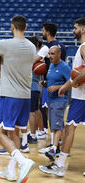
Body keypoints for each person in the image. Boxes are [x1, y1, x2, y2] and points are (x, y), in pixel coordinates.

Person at [0, 15, 36, 182]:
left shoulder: (4, 44)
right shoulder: (32, 47)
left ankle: (22, 161)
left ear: (12, 27)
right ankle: (11, 171)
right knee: (15, 133)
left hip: (9, 95)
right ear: (25, 28)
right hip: (25, 96)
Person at [39, 18, 85, 177]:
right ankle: (59, 163)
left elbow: (83, 73)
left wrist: (69, 84)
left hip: (82, 98)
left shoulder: (84, 47)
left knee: (70, 127)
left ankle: (59, 165)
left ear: (83, 30)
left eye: (75, 28)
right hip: (81, 96)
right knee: (69, 128)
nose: (73, 30)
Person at [38, 46, 70, 161]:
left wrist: (57, 87)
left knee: (57, 125)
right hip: (51, 99)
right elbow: (52, 80)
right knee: (53, 126)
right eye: (49, 54)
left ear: (58, 54)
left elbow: (71, 82)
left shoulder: (64, 67)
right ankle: (55, 146)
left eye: (52, 54)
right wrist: (45, 83)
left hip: (60, 99)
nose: (50, 56)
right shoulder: (51, 65)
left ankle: (54, 148)